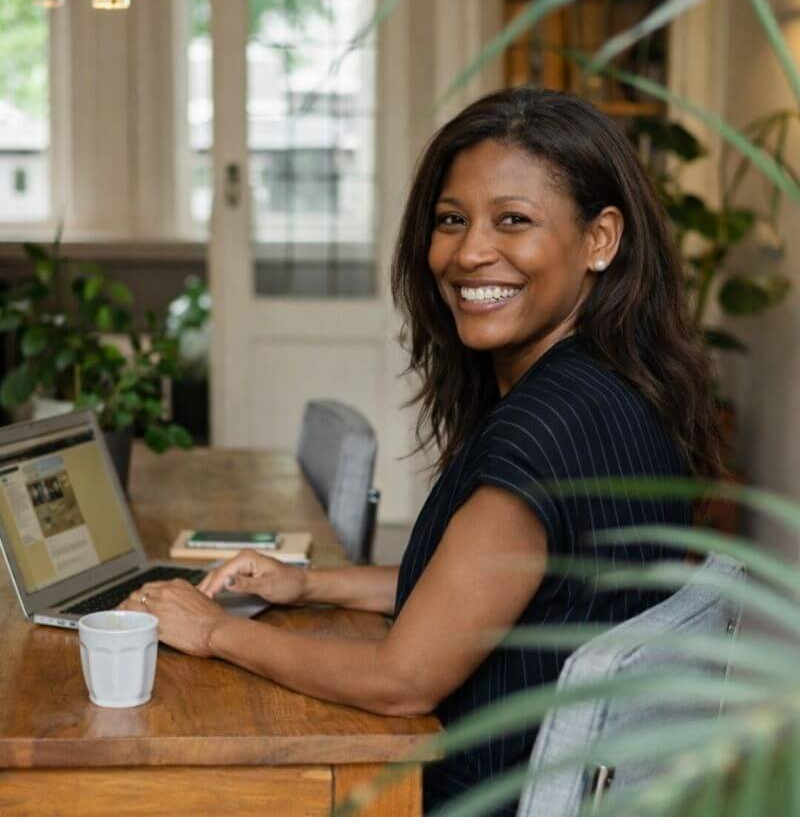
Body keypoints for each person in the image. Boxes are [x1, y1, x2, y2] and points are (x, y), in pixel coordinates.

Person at [121, 88, 722, 815]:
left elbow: (402, 679)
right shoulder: (617, 394)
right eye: (451, 220)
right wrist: (311, 585)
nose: (470, 252)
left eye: (514, 221)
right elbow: (488, 591)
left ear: (600, 239)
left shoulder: (541, 432)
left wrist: (213, 630)